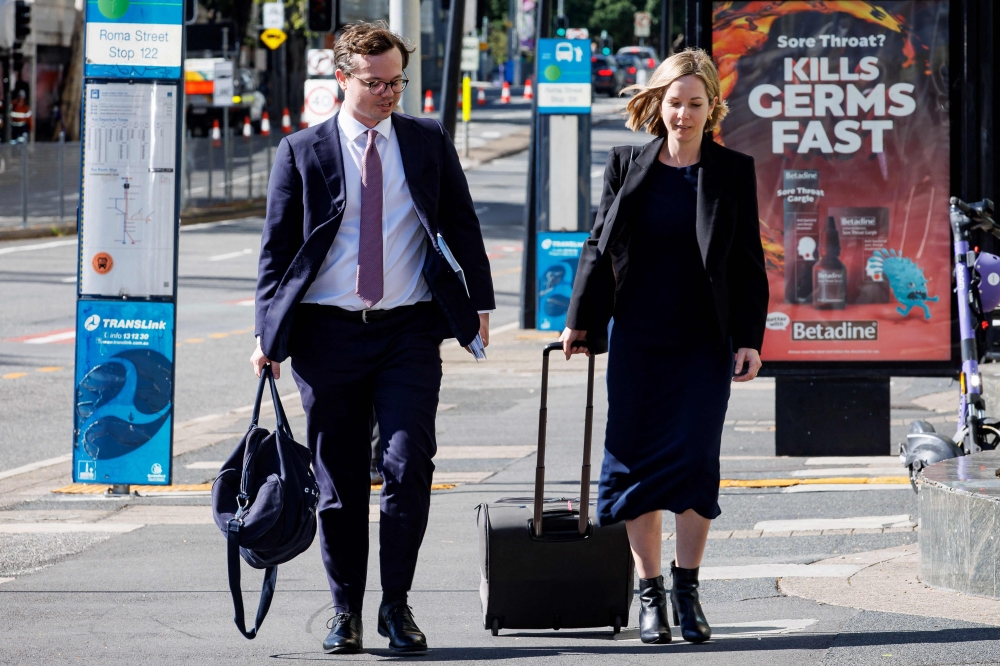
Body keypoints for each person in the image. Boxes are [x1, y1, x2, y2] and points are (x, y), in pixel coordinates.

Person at [251, 21, 495, 654]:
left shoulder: (425, 140)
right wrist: (267, 336)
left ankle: (396, 605)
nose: (389, 93)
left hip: (409, 330)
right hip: (327, 337)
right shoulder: (303, 152)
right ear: (342, 78)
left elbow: (461, 225)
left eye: (397, 82)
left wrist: (481, 305)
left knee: (409, 464)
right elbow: (276, 257)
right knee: (337, 481)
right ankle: (344, 611)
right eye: (375, 83)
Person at [560, 48, 768, 645]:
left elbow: (749, 264)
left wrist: (749, 338)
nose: (683, 114)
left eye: (695, 104)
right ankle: (649, 591)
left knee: (696, 461)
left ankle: (688, 588)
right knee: (634, 461)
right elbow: (599, 244)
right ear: (657, 105)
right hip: (639, 338)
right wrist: (580, 320)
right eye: (674, 103)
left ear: (712, 107)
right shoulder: (627, 162)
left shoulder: (732, 170)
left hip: (704, 342)